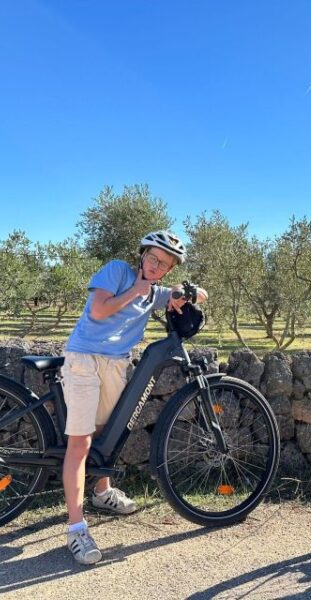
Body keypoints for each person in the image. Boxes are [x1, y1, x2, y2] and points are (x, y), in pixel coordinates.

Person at [61, 230, 208, 565]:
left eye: (164, 265)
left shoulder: (156, 291)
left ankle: (101, 492)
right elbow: (98, 311)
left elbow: (202, 294)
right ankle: (76, 529)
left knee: (104, 436)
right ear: (142, 254)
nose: (156, 267)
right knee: (81, 443)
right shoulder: (118, 272)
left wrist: (187, 293)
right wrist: (137, 291)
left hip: (116, 365)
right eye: (153, 258)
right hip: (85, 359)